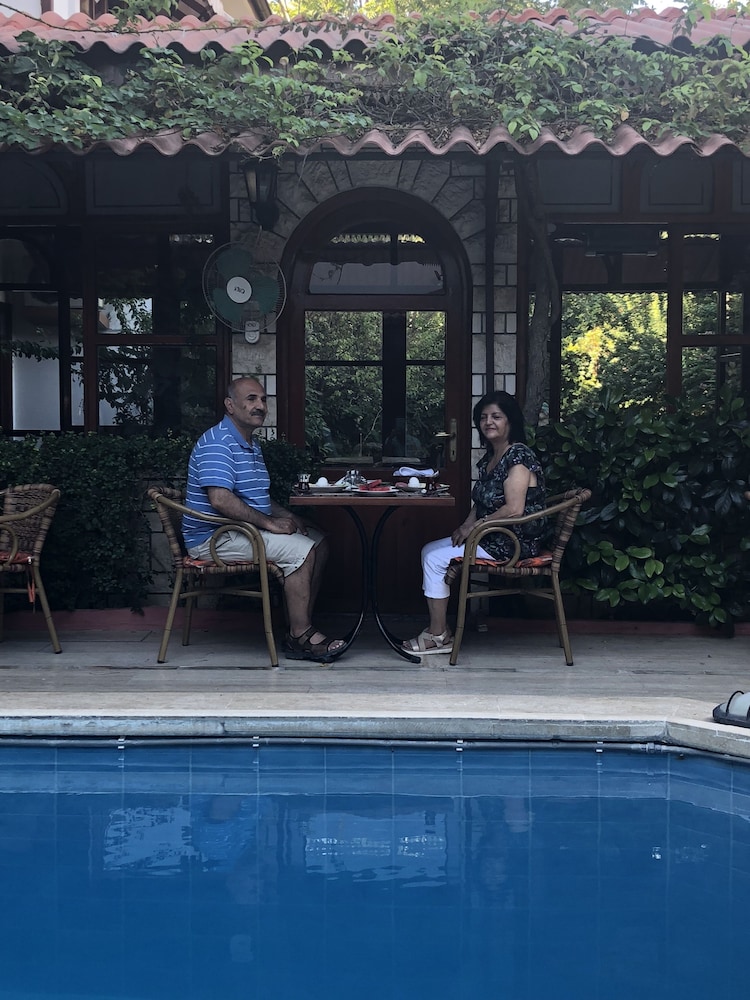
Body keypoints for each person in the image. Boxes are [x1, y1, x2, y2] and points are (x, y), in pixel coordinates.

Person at [183, 376, 344, 663]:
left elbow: (256, 499)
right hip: (215, 538)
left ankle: (297, 625)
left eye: (263, 400)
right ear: (230, 405)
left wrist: (290, 516)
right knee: (302, 549)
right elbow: (220, 499)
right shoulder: (218, 442)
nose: (260, 405)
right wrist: (270, 524)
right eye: (251, 399)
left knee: (318, 542)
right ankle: (301, 636)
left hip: (239, 530)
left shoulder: (249, 443)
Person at [403, 389, 547, 654]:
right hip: (491, 535)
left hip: (512, 542)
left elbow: (514, 510)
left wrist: (475, 527)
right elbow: (481, 503)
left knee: (434, 559)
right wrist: (466, 525)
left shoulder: (518, 456)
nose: (488, 422)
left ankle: (438, 635)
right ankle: (439, 630)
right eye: (483, 417)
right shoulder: (491, 458)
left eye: (496, 416)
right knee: (429, 551)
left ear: (510, 421)